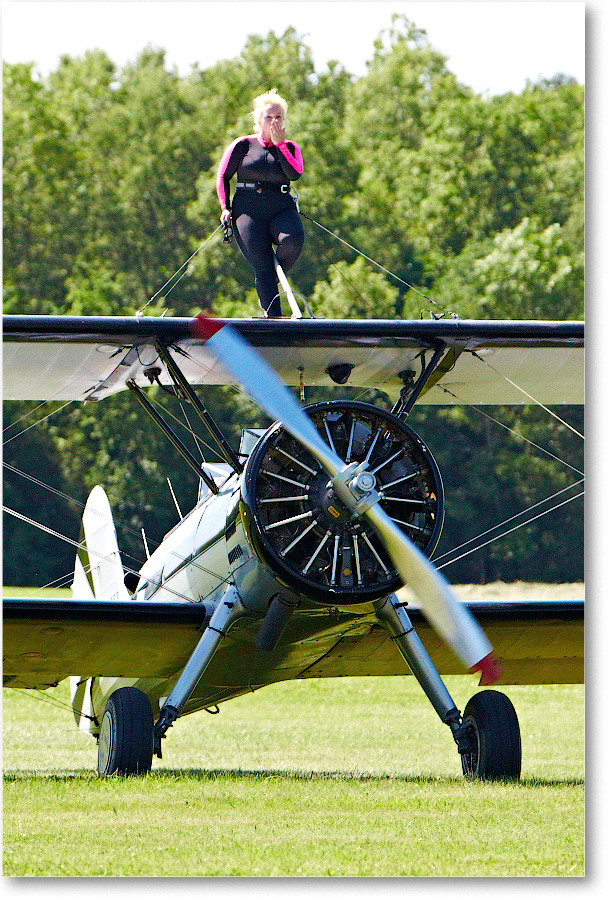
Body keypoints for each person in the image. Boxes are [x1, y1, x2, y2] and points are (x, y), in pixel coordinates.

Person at [216, 90, 304, 317]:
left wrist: (280, 145)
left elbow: (294, 173)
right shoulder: (242, 146)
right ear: (258, 121)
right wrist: (225, 208)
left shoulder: (291, 147)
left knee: (293, 241)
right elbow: (224, 176)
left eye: (279, 118)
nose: (274, 122)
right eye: (269, 117)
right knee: (262, 265)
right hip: (248, 210)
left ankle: (271, 280)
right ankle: (274, 319)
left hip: (280, 206)